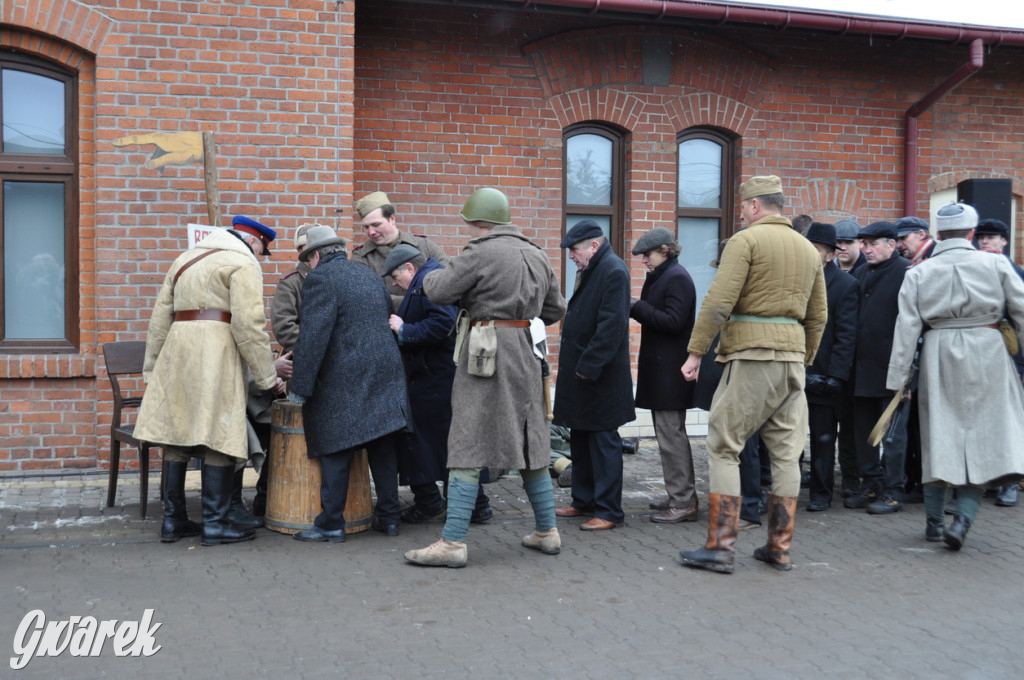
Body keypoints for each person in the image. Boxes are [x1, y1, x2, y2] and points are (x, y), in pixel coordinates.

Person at [404, 187, 567, 567]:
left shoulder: (479, 251)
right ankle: (547, 530)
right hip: (527, 351)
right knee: (531, 440)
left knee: (468, 438)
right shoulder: (537, 254)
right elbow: (556, 308)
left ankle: (453, 543)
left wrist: (432, 274)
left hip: (485, 352)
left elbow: (440, 290)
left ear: (476, 221)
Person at [678, 175, 827, 574]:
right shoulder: (809, 249)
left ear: (756, 206)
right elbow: (818, 315)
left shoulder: (746, 241)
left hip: (751, 356)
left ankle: (720, 547)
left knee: (724, 444)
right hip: (792, 360)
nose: (742, 213)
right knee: (786, 454)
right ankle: (779, 548)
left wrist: (696, 352)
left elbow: (718, 301)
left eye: (744, 207)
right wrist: (803, 358)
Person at [136, 215, 280, 546]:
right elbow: (248, 325)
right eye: (261, 250)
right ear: (254, 241)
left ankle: (173, 521)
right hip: (217, 348)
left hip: (178, 346)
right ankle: (215, 523)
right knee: (218, 430)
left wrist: (153, 368)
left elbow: (160, 318)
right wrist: (266, 376)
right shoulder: (242, 262)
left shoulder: (184, 259)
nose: (259, 257)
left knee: (177, 433)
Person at [887, 202, 1024, 550]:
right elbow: (1021, 311)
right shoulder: (995, 263)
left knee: (939, 437)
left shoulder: (918, 272)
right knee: (983, 440)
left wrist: (899, 382)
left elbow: (905, 330)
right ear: (973, 233)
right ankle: (962, 518)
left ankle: (934, 523)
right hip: (989, 349)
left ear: (938, 234)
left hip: (938, 352)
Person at [286, 225, 409, 542]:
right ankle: (391, 518)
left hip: (345, 376)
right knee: (382, 445)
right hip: (384, 370)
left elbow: (313, 339)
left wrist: (300, 388)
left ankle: (331, 523)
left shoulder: (320, 278)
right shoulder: (367, 273)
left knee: (335, 446)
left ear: (315, 256)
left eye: (307, 259)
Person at [553, 219, 636, 532]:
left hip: (599, 377)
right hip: (583, 375)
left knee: (603, 443)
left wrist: (588, 367)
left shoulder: (613, 270)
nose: (571, 256)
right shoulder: (592, 269)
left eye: (575, 250)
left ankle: (609, 510)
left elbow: (612, 326)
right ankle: (584, 500)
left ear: (594, 246)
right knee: (581, 438)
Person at [382, 244, 457, 524]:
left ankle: (436, 503)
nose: (393, 283)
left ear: (410, 269)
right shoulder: (429, 278)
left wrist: (404, 329)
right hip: (433, 376)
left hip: (436, 378)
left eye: (395, 276)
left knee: (432, 442)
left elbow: (442, 324)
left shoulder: (429, 281)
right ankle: (465, 504)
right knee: (441, 443)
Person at [628, 227, 698, 523]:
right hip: (663, 372)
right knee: (667, 437)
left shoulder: (677, 278)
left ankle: (683, 502)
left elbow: (674, 321)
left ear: (665, 251)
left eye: (648, 254)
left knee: (672, 438)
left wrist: (638, 308)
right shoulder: (664, 276)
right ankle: (678, 495)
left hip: (671, 374)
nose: (644, 260)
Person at [845, 221, 911, 514]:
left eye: (872, 244)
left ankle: (894, 490)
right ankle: (870, 484)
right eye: (864, 244)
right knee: (863, 432)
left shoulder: (908, 272)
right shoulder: (860, 272)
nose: (866, 249)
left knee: (893, 436)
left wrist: (908, 370)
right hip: (862, 369)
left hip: (893, 368)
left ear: (892, 244)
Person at [802, 222, 859, 511]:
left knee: (823, 438)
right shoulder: (796, 280)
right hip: (794, 370)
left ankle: (821, 493)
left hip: (824, 375)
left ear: (829, 255)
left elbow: (846, 336)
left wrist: (834, 376)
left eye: (816, 250)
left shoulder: (846, 285)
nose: (809, 254)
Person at [975, 217, 1024, 507]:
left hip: (1012, 358)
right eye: (981, 237)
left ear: (1004, 241)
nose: (985, 241)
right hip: (980, 355)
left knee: (1009, 422)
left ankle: (1011, 483)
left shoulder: (1016, 273)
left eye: (992, 237)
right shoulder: (974, 270)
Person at [352, 191, 450, 308]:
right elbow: (366, 296)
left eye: (376, 224)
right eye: (366, 227)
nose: (371, 232)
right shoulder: (361, 257)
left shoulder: (424, 245)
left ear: (392, 219)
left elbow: (449, 278)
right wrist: (421, 303)